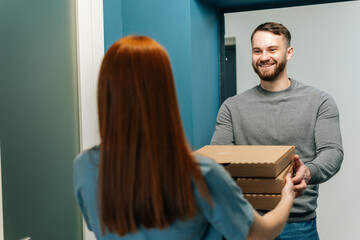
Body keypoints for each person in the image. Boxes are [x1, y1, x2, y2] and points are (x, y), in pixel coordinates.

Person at [73, 35, 295, 240]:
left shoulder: (85, 167)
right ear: (164, 91)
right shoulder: (201, 174)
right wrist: (287, 195)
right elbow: (258, 234)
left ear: (106, 91)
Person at [211, 22, 343, 239]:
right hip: (247, 223)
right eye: (257, 51)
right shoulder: (231, 107)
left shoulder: (319, 101)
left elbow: (333, 152)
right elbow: (218, 157)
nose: (264, 57)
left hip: (298, 225)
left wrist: (308, 172)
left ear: (288, 52)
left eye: (272, 49)